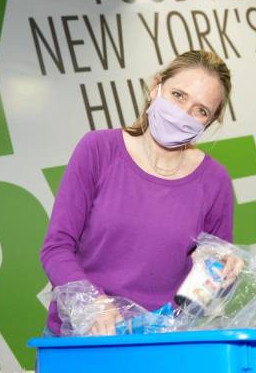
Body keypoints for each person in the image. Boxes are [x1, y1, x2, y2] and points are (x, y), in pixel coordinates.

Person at [40, 50, 243, 337]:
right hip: (79, 340)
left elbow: (207, 289)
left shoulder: (214, 181)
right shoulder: (99, 150)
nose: (183, 114)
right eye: (178, 95)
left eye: (201, 110)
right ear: (155, 88)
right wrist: (92, 305)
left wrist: (224, 275)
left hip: (158, 347)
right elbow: (56, 248)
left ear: (208, 123)